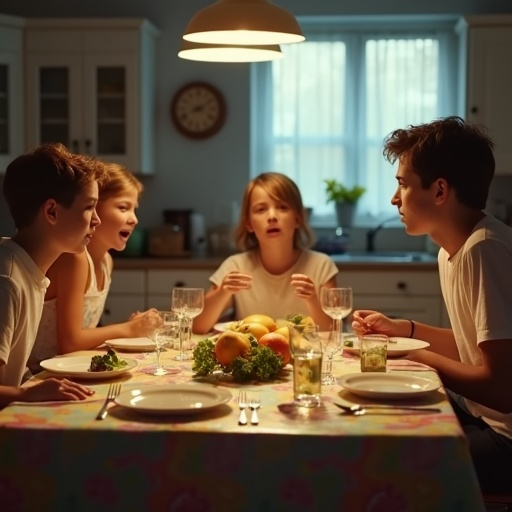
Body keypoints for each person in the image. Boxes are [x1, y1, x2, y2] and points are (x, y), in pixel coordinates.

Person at [351, 116, 512, 494]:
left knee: (383, 458)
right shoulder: (454, 249)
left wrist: (413, 358)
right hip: (482, 417)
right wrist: (404, 331)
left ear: (440, 191)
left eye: (402, 185)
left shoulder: (485, 250)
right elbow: (475, 349)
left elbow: (502, 387)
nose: (394, 199)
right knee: (378, 416)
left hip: (505, 440)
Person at [0, 142, 106, 407]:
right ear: (51, 212)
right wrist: (25, 394)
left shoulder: (28, 270)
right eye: (88, 207)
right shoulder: (7, 280)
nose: (97, 220)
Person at [28, 162, 159, 373]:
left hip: (69, 369)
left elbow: (85, 335)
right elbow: (70, 342)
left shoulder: (107, 261)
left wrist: (131, 328)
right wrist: (128, 329)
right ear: (93, 208)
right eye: (123, 207)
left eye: (134, 209)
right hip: (39, 375)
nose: (134, 219)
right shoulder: (74, 258)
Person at [193, 172, 338, 334]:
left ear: (298, 218)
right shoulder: (235, 266)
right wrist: (222, 292)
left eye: (282, 207)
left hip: (303, 356)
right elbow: (198, 326)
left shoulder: (321, 265)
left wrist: (312, 300)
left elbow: (333, 332)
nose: (272, 216)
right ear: (248, 223)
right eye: (261, 209)